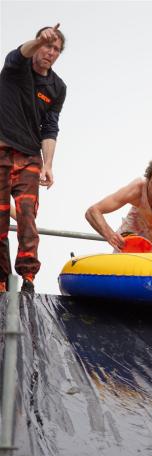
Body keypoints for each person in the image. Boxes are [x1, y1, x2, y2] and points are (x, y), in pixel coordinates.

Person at [0, 24, 66, 293]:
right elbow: (18, 54)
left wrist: (48, 163)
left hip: (29, 157)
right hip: (2, 152)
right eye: (47, 46)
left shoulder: (57, 87)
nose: (50, 52)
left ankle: (28, 277)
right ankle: (2, 280)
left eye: (56, 49)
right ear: (38, 45)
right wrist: (37, 40)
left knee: (27, 215)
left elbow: (50, 126)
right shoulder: (16, 69)